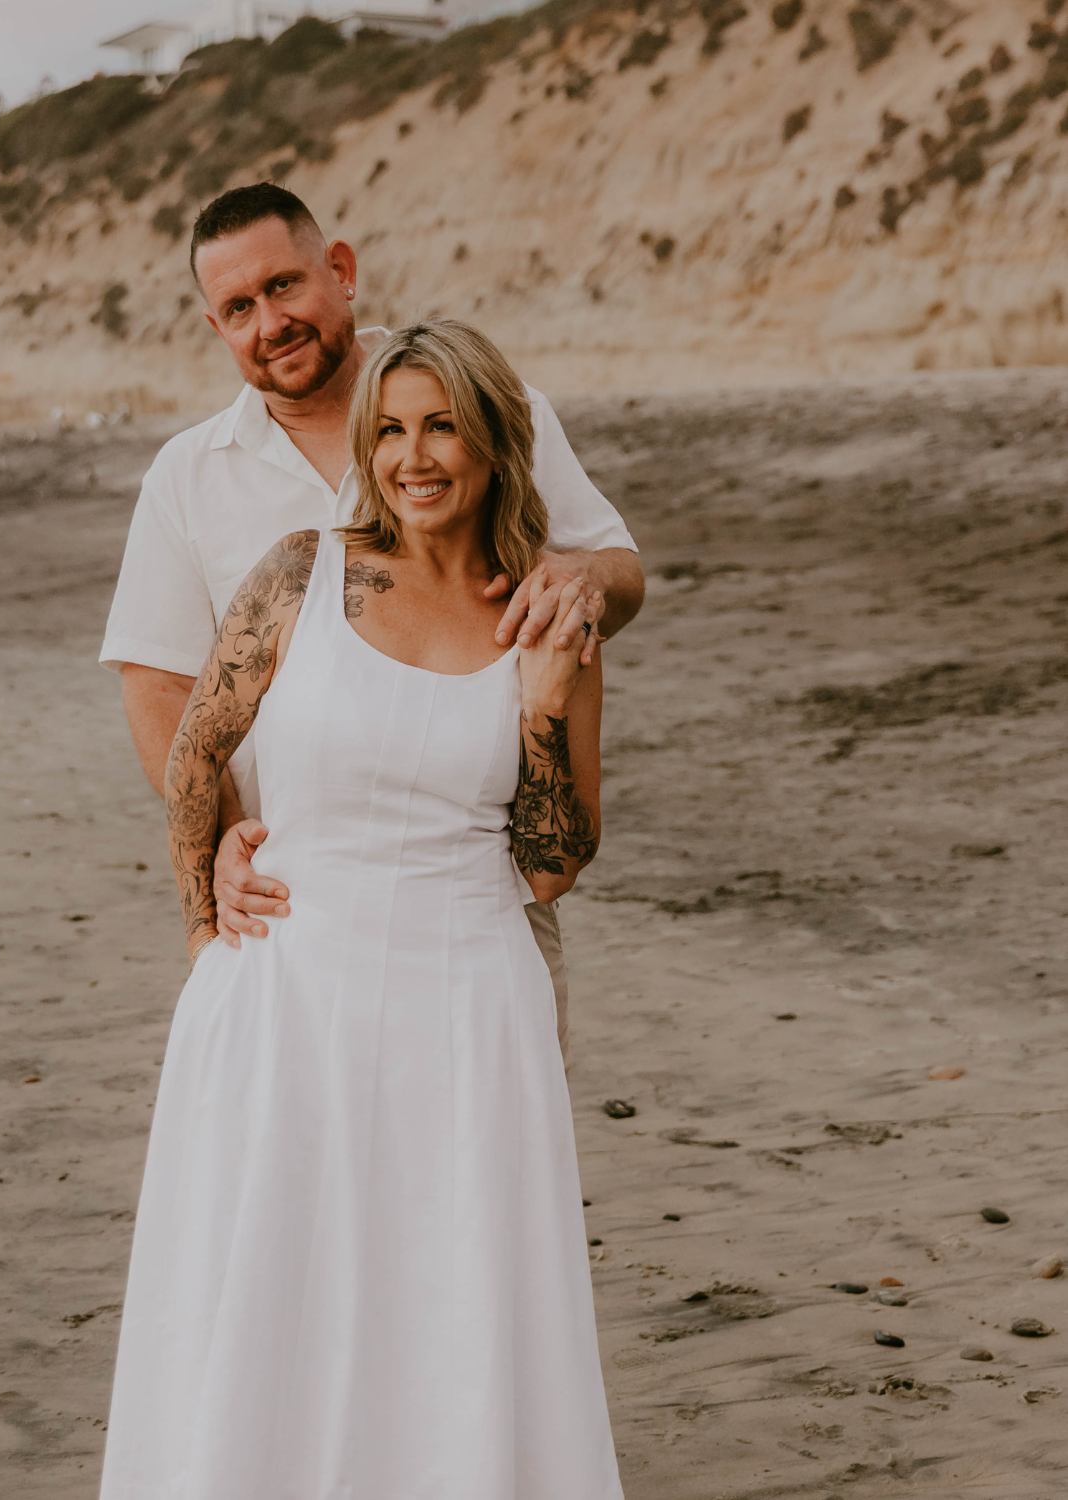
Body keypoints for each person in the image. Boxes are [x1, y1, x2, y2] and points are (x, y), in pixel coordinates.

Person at [98, 319, 622, 1498]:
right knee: (272, 1301)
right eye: (389, 430)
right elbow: (194, 757)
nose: (412, 456)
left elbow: (553, 865)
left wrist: (540, 706)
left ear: (495, 442)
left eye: (443, 427)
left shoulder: (546, 613)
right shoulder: (300, 573)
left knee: (452, 1309)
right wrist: (203, 927)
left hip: (471, 1007)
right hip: (286, 997)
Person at [100, 182, 642, 1069]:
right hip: (294, 904)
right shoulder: (189, 476)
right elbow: (160, 685)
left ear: (341, 271)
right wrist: (223, 838)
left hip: (484, 897)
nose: (269, 322)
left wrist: (576, 577)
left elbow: (620, 573)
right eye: (238, 308)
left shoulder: (492, 409)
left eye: (284, 287)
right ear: (216, 328)